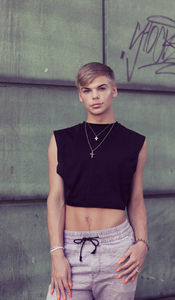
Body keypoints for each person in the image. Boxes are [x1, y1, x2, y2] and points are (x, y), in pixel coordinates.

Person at [46, 62, 148, 300]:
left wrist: (142, 243)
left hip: (118, 251)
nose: (95, 96)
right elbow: (56, 199)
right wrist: (56, 253)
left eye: (101, 88)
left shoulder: (135, 143)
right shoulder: (61, 140)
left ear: (113, 91)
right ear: (80, 95)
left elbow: (136, 200)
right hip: (71, 251)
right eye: (87, 90)